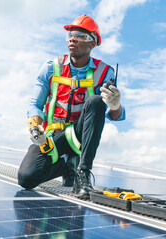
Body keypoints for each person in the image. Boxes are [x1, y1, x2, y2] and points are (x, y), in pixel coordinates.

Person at [17, 15, 125, 199]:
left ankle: (82, 173)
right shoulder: (51, 67)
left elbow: (114, 115)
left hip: (79, 134)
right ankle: (66, 165)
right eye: (71, 35)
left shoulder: (105, 72)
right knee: (26, 178)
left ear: (92, 43)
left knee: (96, 101)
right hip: (51, 137)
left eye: (80, 36)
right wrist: (36, 127)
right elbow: (35, 104)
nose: (73, 38)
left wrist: (115, 105)